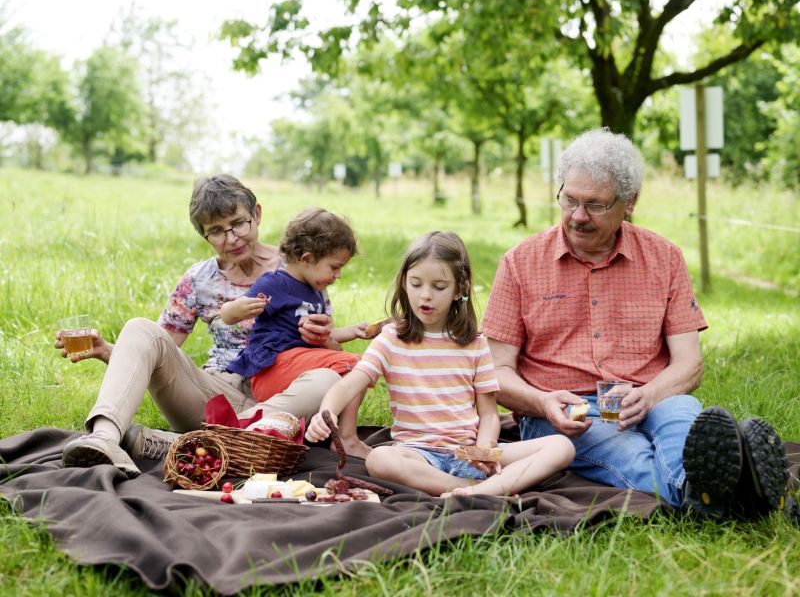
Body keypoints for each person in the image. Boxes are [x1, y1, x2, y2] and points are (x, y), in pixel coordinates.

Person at [481, 128, 789, 519]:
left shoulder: (665, 258)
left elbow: (689, 363)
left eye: (595, 205)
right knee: (630, 454)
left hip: (657, 395)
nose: (578, 216)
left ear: (630, 202)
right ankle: (734, 496)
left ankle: (715, 496)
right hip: (567, 411)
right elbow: (497, 372)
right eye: (570, 199)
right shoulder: (519, 263)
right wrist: (542, 401)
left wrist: (650, 395)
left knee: (683, 419)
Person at [58, 175, 346, 478]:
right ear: (204, 237)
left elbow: (333, 352)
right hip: (216, 397)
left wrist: (325, 340)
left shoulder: (302, 264)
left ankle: (183, 445)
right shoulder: (199, 279)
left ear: (257, 214)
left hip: (284, 396)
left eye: (238, 223)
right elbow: (157, 349)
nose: (232, 238)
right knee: (140, 328)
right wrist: (109, 352)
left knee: (328, 379)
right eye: (217, 232)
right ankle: (103, 439)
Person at [305, 231, 575, 497]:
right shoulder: (391, 340)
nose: (425, 296)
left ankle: (479, 485)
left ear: (460, 289)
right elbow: (348, 385)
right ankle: (478, 490)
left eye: (439, 287)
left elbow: (490, 414)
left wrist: (484, 449)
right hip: (417, 455)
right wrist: (325, 413)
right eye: (416, 284)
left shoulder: (474, 344)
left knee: (561, 447)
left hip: (468, 451)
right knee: (380, 460)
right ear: (403, 284)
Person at [221, 207, 371, 457]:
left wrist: (353, 331)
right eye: (334, 267)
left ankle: (333, 432)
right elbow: (227, 315)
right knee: (359, 365)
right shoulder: (275, 283)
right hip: (272, 368)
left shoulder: (315, 291)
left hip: (299, 370)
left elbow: (326, 338)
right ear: (307, 259)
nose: (338, 275)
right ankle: (346, 437)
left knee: (361, 366)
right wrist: (236, 308)